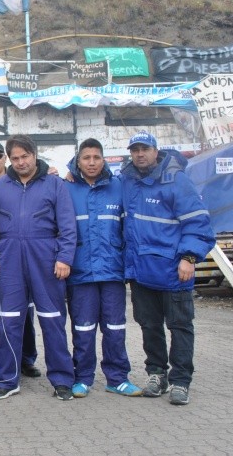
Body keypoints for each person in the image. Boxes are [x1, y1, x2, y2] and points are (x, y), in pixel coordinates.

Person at [121, 131, 215, 406]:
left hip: (175, 272)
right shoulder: (127, 181)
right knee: (149, 326)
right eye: (135, 150)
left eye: (145, 149)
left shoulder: (177, 181)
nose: (140, 154)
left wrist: (189, 257)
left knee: (180, 326)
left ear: (156, 151)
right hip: (141, 272)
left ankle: (181, 381)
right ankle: (156, 374)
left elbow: (199, 225)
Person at [0, 134, 77, 401]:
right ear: (9, 160)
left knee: (52, 320)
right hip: (9, 260)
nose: (21, 162)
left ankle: (61, 379)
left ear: (35, 155)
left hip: (46, 259)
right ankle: (7, 379)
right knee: (8, 321)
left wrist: (64, 258)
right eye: (15, 158)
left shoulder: (55, 185)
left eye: (25, 156)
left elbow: (68, 226)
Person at [65, 138, 142, 398]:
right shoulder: (66, 189)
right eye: (86, 158)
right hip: (80, 273)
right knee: (83, 328)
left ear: (103, 159)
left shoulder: (118, 187)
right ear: (78, 160)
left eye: (96, 157)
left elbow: (129, 230)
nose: (91, 162)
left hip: (112, 272)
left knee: (115, 328)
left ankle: (117, 378)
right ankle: (82, 378)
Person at [0, 141, 41, 378]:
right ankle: (1, 364)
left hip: (24, 259)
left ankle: (27, 359)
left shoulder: (30, 180)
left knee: (26, 315)